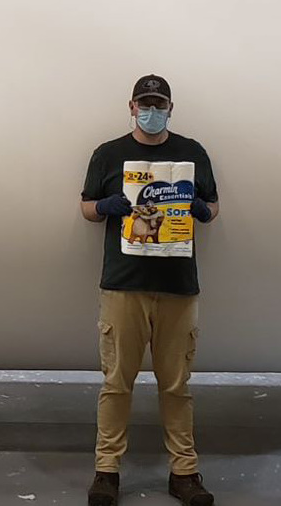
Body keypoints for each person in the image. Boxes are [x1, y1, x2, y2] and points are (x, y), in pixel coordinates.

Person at [80, 75, 219, 506]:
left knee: (176, 385)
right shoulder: (109, 154)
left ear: (171, 108)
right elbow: (85, 206)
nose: (151, 110)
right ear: (132, 105)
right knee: (116, 383)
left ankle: (184, 473)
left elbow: (212, 206)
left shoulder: (192, 153)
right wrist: (104, 207)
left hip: (178, 287)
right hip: (124, 285)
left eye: (159, 103)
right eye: (145, 103)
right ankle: (107, 471)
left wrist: (200, 210)